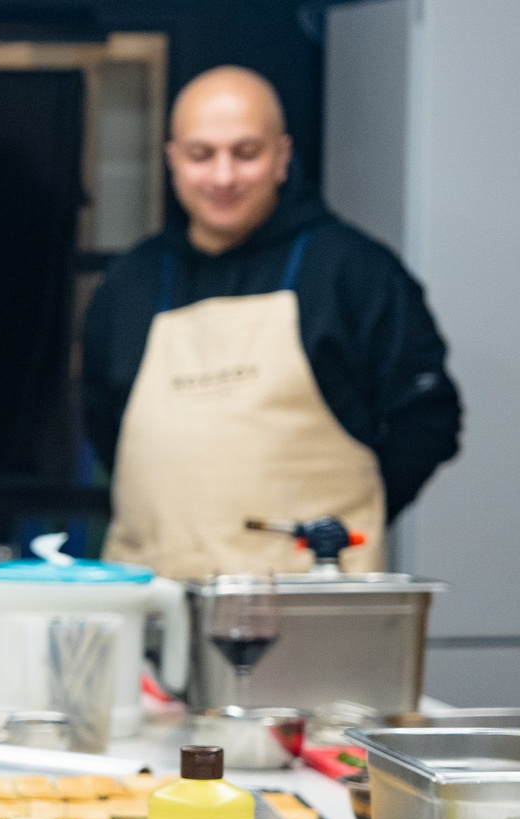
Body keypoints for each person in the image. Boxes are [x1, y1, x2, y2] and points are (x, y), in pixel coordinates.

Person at [83, 65, 464, 581]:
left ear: (283, 157)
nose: (223, 178)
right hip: (155, 598)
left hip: (310, 604)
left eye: (246, 154)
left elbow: (428, 420)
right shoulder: (132, 281)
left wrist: (348, 521)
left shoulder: (351, 270)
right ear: (172, 160)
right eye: (201, 155)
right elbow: (102, 420)